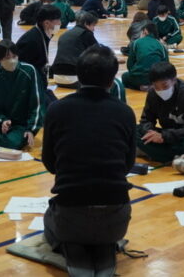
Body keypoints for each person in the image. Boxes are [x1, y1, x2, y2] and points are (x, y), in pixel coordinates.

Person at [41, 46, 136, 276]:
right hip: (116, 220)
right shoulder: (125, 112)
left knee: (49, 218)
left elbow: (50, 163)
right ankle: (104, 248)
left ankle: (74, 250)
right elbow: (128, 164)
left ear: (78, 75)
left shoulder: (56, 109)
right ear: (112, 79)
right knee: (100, 231)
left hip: (70, 216)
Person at [136, 61, 184, 163]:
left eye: (165, 86)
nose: (160, 90)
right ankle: (170, 154)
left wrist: (164, 136)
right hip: (171, 134)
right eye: (156, 87)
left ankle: (156, 153)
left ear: (174, 80)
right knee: (135, 129)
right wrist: (150, 133)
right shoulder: (152, 93)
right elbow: (146, 120)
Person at [15, 4, 62, 97]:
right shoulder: (31, 41)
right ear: (46, 23)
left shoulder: (45, 33)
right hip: (29, 89)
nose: (60, 23)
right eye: (57, 20)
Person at [51, 12, 100, 87]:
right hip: (75, 78)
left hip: (57, 77)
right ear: (86, 24)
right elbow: (99, 54)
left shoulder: (64, 34)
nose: (94, 29)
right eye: (93, 25)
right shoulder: (86, 34)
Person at [121, 22, 168, 89]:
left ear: (145, 31)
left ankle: (140, 87)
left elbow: (130, 65)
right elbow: (166, 64)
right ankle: (152, 85)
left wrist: (134, 73)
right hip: (156, 78)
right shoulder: (161, 45)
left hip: (139, 78)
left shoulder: (136, 42)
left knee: (124, 77)